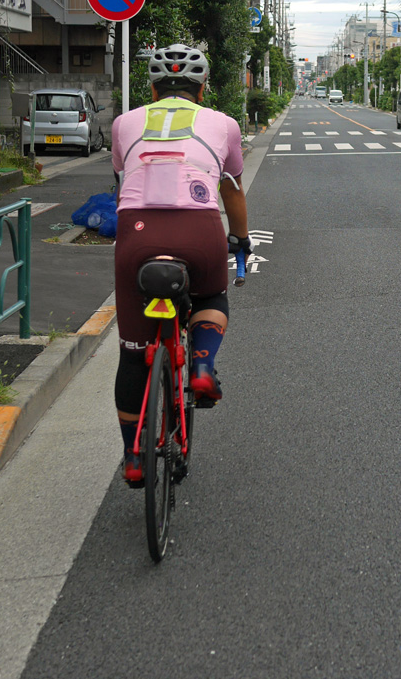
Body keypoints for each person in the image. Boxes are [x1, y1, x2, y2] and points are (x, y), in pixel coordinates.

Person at [110, 43, 250, 486]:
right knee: (212, 295)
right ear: (202, 89)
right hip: (200, 229)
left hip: (137, 234)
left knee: (133, 357)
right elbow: (232, 190)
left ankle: (134, 458)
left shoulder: (124, 123)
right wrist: (241, 241)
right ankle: (204, 367)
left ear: (151, 89)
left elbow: (122, 176)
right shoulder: (224, 125)